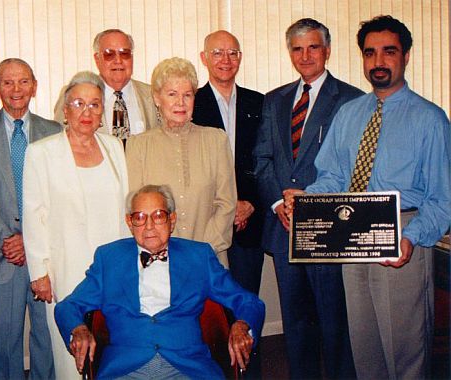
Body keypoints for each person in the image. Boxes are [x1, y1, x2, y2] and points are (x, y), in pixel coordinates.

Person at [284, 15, 451, 379]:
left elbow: (443, 198)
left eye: (388, 52)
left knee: (405, 352)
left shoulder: (430, 119)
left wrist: (410, 237)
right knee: (365, 349)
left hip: (403, 233)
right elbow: (332, 177)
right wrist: (306, 199)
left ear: (406, 56)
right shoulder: (349, 114)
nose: (378, 61)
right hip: (350, 237)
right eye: (369, 53)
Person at [55, 185, 265, 379]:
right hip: (124, 368)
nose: (149, 226)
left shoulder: (199, 256)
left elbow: (248, 302)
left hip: (188, 366)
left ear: (171, 220)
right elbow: (68, 306)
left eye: (158, 216)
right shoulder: (109, 258)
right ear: (129, 222)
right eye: (139, 217)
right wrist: (79, 329)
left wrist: (241, 324)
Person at [253, 18, 362, 379]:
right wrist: (277, 204)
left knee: (335, 323)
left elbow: (355, 168)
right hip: (284, 227)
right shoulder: (275, 100)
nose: (305, 55)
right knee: (295, 324)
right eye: (297, 48)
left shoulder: (352, 100)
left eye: (313, 47)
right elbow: (262, 160)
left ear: (327, 51)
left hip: (330, 230)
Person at [23, 71, 129, 379]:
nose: (87, 112)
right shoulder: (41, 152)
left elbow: (124, 208)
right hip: (65, 269)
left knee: (111, 349)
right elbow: (33, 215)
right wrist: (39, 273)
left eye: (95, 104)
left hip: (111, 269)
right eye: (79, 103)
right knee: (72, 355)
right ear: (65, 110)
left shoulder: (114, 148)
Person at [0, 58, 59, 380]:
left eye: (23, 81)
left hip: (45, 257)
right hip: (2, 255)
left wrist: (31, 240)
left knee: (47, 340)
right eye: (7, 82)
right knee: (5, 346)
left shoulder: (55, 132)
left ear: (34, 86)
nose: (16, 89)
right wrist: (8, 241)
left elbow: (59, 198)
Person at [126, 57, 236, 267]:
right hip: (159, 262)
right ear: (157, 98)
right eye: (172, 94)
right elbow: (137, 211)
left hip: (209, 259)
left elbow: (226, 204)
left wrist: (201, 251)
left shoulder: (216, 140)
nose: (180, 103)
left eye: (187, 95)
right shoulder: (138, 146)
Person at [193, 30, 265, 295]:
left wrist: (250, 203)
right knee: (211, 307)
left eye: (232, 53)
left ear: (240, 58)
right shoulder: (190, 103)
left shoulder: (259, 102)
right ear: (204, 57)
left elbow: (266, 161)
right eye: (217, 52)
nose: (226, 59)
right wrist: (225, 205)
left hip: (248, 220)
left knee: (246, 302)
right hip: (207, 220)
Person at [53, 29, 158, 143]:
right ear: (97, 59)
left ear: (131, 57)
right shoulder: (72, 95)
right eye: (109, 54)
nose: (118, 60)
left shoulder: (154, 95)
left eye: (124, 53)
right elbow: (60, 142)